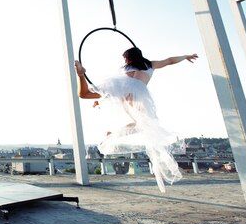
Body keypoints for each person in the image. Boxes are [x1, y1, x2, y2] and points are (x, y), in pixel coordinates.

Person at [74, 47, 198, 192]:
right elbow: (170, 61)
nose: (124, 60)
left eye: (125, 58)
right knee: (145, 125)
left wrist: (103, 98)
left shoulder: (124, 68)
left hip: (122, 91)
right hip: (137, 95)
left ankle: (81, 75)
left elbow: (120, 83)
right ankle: (115, 133)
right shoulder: (149, 65)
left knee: (84, 94)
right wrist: (185, 56)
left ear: (128, 58)